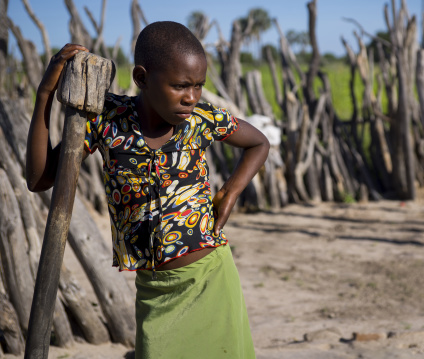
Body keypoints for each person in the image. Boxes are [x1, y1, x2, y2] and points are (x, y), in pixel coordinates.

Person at [26, 21, 269, 359]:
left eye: (199, 85)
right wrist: (44, 96)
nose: (192, 97)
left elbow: (259, 142)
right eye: (181, 85)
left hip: (211, 279)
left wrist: (230, 191)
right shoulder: (108, 120)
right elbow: (39, 180)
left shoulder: (202, 119)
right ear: (141, 78)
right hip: (155, 291)